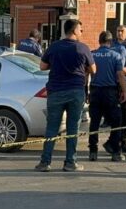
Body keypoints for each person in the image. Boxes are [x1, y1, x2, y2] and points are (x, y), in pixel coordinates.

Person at [35, 19, 96, 172]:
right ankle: (70, 162)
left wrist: (54, 65)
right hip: (75, 91)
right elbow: (94, 69)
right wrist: (83, 70)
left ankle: (45, 162)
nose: (82, 32)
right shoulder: (83, 48)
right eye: (81, 30)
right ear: (75, 30)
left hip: (55, 91)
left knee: (52, 128)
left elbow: (42, 66)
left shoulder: (54, 47)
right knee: (72, 129)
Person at [88, 31, 126, 162]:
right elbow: (120, 75)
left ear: (99, 41)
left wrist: (85, 91)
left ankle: (93, 151)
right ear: (110, 42)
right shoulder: (115, 56)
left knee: (94, 122)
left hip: (95, 91)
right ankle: (116, 151)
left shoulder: (92, 55)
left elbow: (85, 74)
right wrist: (124, 91)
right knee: (116, 121)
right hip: (110, 92)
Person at [110, 29, 126, 153]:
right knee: (124, 115)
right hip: (123, 85)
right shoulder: (122, 50)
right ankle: (118, 142)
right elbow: (121, 70)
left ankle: (120, 141)